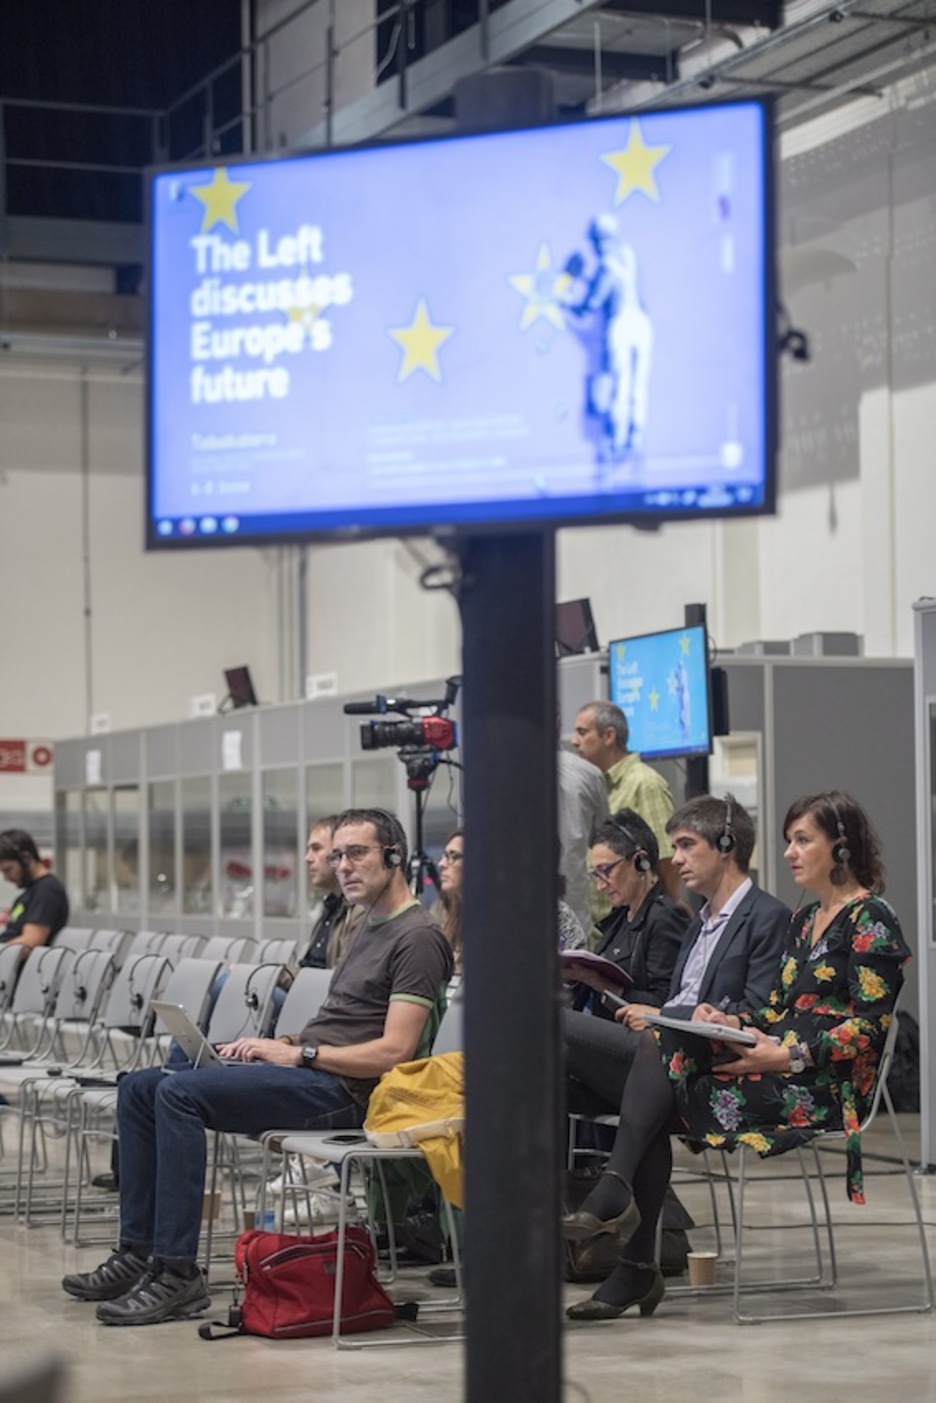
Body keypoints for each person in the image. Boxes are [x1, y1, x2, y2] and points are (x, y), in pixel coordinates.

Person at [61, 807, 453, 1327]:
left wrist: (300, 1054)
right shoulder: (367, 925)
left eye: (356, 854)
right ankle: (137, 1252)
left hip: (349, 1093)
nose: (343, 867)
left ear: (394, 857)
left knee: (176, 1094)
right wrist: (277, 1041)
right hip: (311, 1071)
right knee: (138, 1087)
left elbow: (393, 1053)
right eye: (337, 856)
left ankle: (177, 1272)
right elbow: (342, 1024)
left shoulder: (418, 938)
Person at [563, 790, 908, 1322]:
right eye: (788, 840)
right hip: (768, 1060)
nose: (789, 852)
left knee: (656, 1075)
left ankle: (623, 1218)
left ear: (840, 846)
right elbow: (773, 1007)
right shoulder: (805, 919)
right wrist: (734, 1025)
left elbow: (868, 1029)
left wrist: (782, 1056)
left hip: (818, 1084)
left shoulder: (871, 918)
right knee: (662, 1062)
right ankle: (630, 1247)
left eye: (802, 840)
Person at [571, 702, 678, 905]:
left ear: (609, 736)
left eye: (582, 732)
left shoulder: (645, 784)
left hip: (633, 926)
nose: (575, 741)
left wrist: (661, 914)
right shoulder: (597, 785)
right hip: (602, 927)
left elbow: (666, 862)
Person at [299, 815, 365, 969]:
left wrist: (278, 975)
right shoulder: (331, 906)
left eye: (316, 849)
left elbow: (339, 978)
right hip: (303, 987)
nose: (307, 858)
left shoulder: (359, 911)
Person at [557, 741, 609, 934]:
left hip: (575, 915)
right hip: (577, 917)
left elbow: (605, 843)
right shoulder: (589, 773)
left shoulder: (501, 774)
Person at [0, 829, 69, 951]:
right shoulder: (33, 891)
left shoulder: (47, 891)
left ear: (26, 859)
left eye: (8, 869)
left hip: (13, 966)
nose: (6, 878)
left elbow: (30, 942)